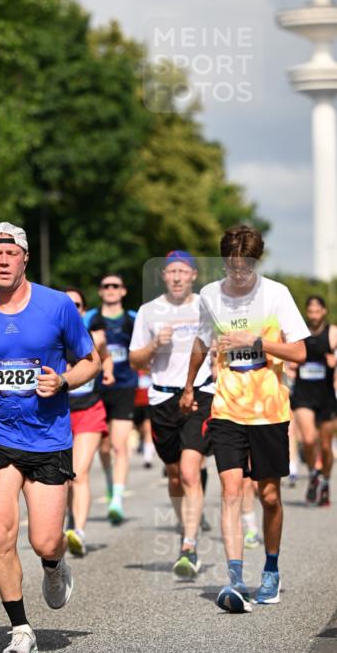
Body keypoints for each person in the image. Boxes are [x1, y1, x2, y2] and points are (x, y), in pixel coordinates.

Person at [0, 223, 99, 653]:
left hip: (48, 436)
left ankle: (53, 565)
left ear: (24, 258)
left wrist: (64, 379)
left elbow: (90, 361)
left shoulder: (58, 306)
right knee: (0, 530)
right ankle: (20, 627)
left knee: (45, 541)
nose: (4, 260)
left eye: (12, 253)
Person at [180, 225, 308, 613]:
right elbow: (201, 343)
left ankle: (270, 568)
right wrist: (188, 386)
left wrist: (256, 343)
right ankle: (235, 579)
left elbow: (300, 352)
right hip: (227, 408)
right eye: (233, 267)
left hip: (269, 410)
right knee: (231, 492)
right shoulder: (209, 296)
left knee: (269, 496)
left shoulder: (276, 295)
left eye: (245, 267)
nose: (239, 274)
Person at [129, 251, 215, 580]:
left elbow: (220, 346)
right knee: (175, 474)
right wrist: (154, 345)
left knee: (191, 471)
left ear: (193, 275)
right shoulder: (148, 312)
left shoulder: (206, 308)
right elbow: (136, 361)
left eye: (183, 271)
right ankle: (185, 526)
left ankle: (189, 546)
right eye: (171, 272)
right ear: (163, 276)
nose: (177, 277)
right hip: (161, 397)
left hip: (200, 394)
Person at [63, 287, 114, 556]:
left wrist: (107, 372)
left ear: (84, 311)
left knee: (79, 472)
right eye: (67, 305)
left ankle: (79, 532)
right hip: (58, 414)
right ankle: (71, 520)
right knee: (63, 478)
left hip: (90, 411)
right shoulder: (50, 338)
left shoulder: (93, 338)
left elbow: (106, 358)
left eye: (78, 305)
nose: (73, 309)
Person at [85, 274, 137, 524]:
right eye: (106, 286)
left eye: (116, 285)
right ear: (100, 291)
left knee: (120, 444)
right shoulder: (90, 318)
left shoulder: (132, 319)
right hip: (97, 388)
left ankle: (117, 499)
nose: (111, 289)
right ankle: (109, 482)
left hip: (125, 386)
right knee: (103, 447)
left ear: (123, 291)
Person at [290, 295, 336, 507]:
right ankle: (313, 474)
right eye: (311, 310)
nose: (314, 313)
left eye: (318, 309)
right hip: (303, 395)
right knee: (308, 440)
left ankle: (325, 482)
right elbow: (288, 356)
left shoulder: (333, 333)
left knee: (326, 447)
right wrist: (290, 367)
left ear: (324, 311)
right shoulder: (298, 331)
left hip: (326, 396)